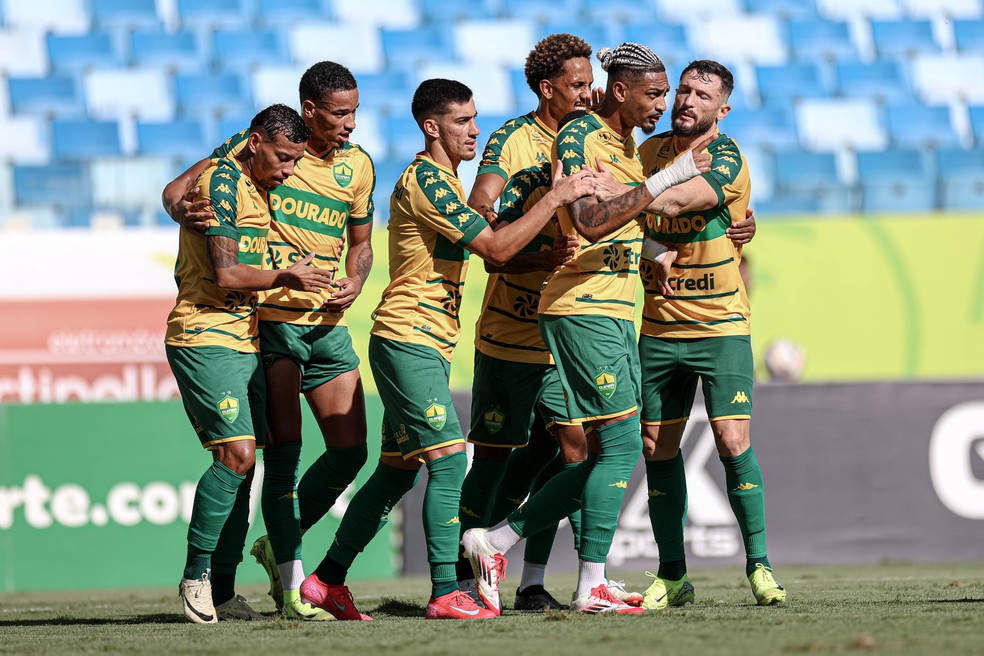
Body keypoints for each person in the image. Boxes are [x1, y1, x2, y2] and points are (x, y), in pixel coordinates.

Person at [297, 78, 602, 621]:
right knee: (446, 461)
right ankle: (445, 591)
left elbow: (500, 256)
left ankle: (326, 580)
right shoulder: (428, 182)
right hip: (407, 336)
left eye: (476, 118)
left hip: (427, 343)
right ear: (432, 127)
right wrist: (557, 195)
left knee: (394, 471)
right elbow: (495, 246)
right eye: (463, 121)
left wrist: (545, 256)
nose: (475, 130)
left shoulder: (444, 182)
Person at [462, 42, 712, 615]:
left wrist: (655, 250)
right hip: (582, 307)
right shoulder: (578, 137)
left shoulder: (623, 143)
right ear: (619, 90)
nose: (663, 105)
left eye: (664, 94)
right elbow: (592, 222)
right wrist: (666, 177)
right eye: (652, 94)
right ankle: (523, 560)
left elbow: (621, 218)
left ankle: (523, 557)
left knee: (599, 450)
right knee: (615, 446)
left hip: (616, 309)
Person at [162, 62, 375, 621]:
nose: (290, 169)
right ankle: (201, 580)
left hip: (252, 333)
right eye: (284, 158)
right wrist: (288, 276)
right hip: (213, 330)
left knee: (260, 462)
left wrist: (352, 276)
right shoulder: (228, 177)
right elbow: (226, 269)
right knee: (244, 457)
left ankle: (226, 587)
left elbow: (361, 243)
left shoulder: (271, 181)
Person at [455, 32, 608, 612]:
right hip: (510, 327)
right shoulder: (513, 139)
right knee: (493, 457)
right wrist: (507, 218)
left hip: (564, 332)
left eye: (590, 81)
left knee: (574, 453)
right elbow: (480, 212)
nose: (587, 92)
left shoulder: (593, 136)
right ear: (547, 89)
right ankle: (460, 579)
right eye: (576, 84)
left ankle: (534, 581)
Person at [635, 60, 786, 609]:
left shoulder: (727, 156)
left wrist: (622, 197)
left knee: (731, 441)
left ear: (721, 109)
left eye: (701, 95)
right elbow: (616, 226)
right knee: (656, 447)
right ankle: (673, 574)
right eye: (682, 90)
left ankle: (760, 566)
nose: (686, 101)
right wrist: (650, 247)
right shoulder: (647, 153)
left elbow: (676, 201)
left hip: (720, 323)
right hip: (658, 327)